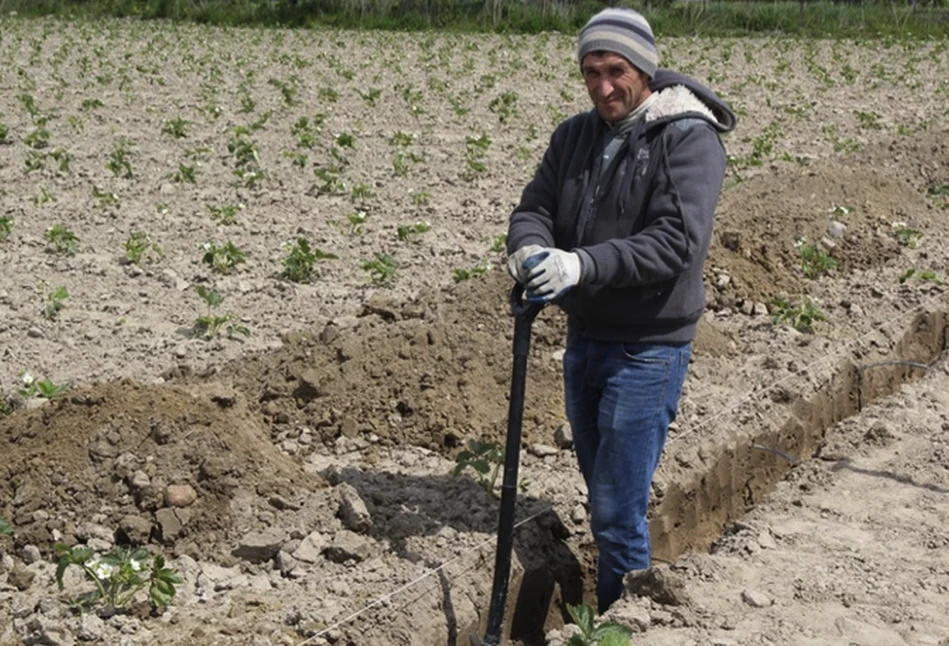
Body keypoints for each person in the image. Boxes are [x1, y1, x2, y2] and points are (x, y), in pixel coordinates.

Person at [506, 7, 737, 614]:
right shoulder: (575, 135)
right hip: (585, 338)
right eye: (591, 72)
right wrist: (528, 247)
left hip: (648, 348)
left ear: (645, 69)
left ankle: (619, 622)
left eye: (616, 70)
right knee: (602, 488)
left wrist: (581, 265)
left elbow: (676, 242)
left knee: (615, 508)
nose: (603, 86)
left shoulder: (687, 137)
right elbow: (535, 205)